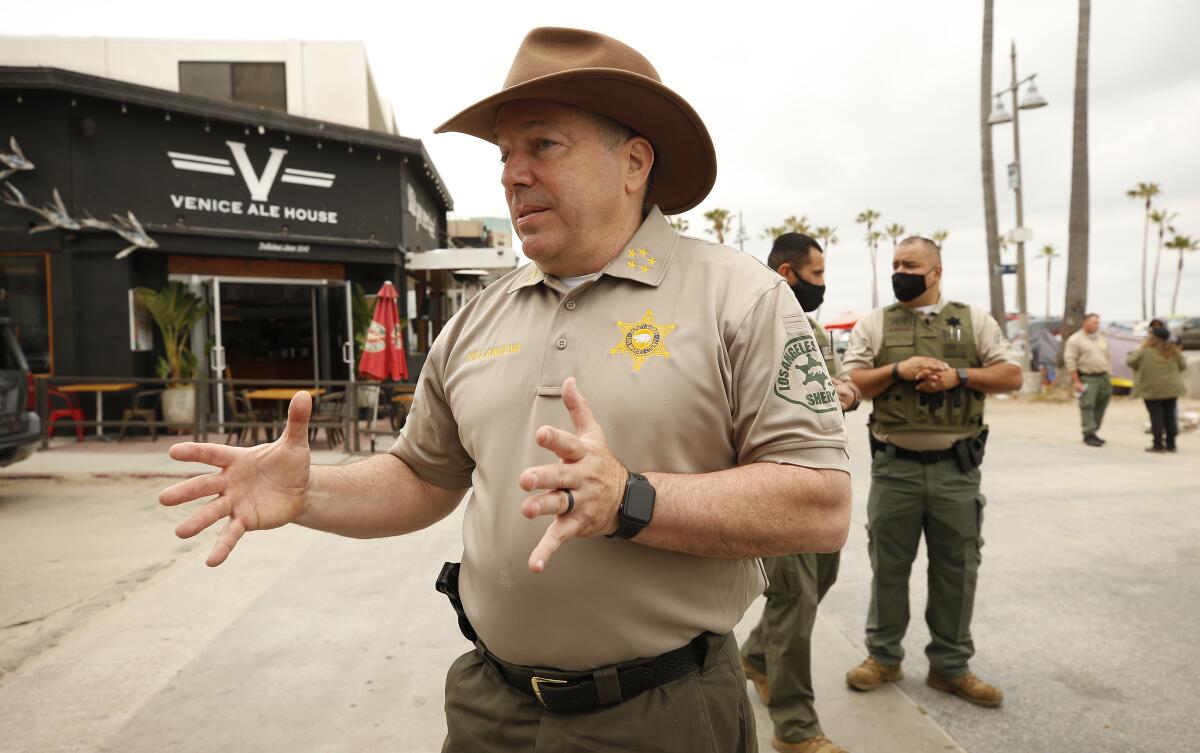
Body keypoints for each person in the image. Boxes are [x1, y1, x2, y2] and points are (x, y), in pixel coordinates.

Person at [158, 27, 852, 753]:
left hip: (662, 713)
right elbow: (421, 475)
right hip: (491, 709)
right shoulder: (479, 317)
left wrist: (630, 499)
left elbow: (820, 503)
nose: (511, 175)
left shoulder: (738, 298)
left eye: (543, 145)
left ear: (634, 163)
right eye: (504, 154)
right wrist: (310, 496)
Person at [840, 237, 1022, 708]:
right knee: (889, 568)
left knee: (958, 569)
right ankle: (883, 657)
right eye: (896, 263)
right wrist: (898, 369)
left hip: (955, 471)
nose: (901, 270)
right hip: (894, 468)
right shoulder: (876, 323)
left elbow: (1011, 376)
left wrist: (958, 377)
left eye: (911, 264)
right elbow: (851, 382)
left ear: (936, 272)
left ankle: (950, 666)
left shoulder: (973, 320)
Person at [739, 233, 857, 753]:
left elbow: (826, 386)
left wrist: (844, 390)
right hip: (774, 482)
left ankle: (759, 657)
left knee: (820, 578)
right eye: (818, 276)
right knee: (792, 597)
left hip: (819, 485)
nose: (823, 286)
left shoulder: (806, 327)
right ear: (788, 273)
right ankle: (794, 725)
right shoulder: (749, 316)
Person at [1127, 325, 1187, 452]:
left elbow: (1131, 361)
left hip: (1152, 389)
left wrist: (1142, 346)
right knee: (1170, 415)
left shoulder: (1145, 350)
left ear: (1153, 337)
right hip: (1172, 388)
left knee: (1156, 416)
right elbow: (1183, 366)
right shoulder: (1173, 350)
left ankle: (1158, 444)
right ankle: (1171, 444)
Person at [1063, 313, 1112, 447]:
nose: (1097, 325)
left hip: (1103, 376)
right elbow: (1070, 360)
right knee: (1088, 405)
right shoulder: (1075, 340)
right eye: (1094, 322)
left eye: (1098, 322)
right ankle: (1088, 433)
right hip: (1087, 377)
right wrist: (1076, 381)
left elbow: (1107, 356)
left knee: (1102, 404)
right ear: (1085, 323)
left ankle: (1094, 430)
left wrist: (1109, 374)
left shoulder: (1101, 338)